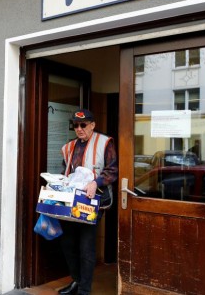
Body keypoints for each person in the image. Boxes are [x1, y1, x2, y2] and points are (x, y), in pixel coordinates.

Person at [57, 109, 118, 295]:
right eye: (75, 125)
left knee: (86, 246)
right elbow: (65, 171)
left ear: (92, 125)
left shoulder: (105, 142)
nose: (79, 128)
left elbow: (113, 170)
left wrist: (95, 182)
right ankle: (76, 281)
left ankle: (84, 290)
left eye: (83, 125)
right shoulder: (70, 146)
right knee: (67, 243)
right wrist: (59, 182)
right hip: (72, 201)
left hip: (94, 201)